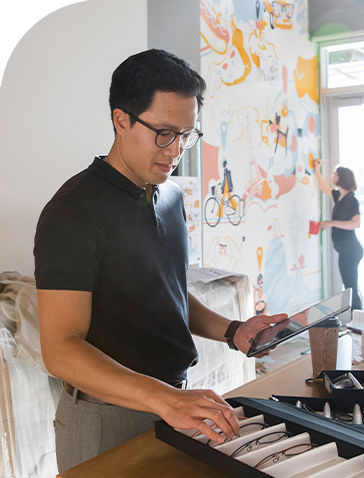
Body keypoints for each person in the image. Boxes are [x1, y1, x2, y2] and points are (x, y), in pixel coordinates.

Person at [33, 49, 288, 472]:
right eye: (164, 133)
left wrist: (233, 330)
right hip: (107, 414)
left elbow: (166, 290)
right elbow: (60, 349)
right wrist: (164, 398)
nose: (177, 151)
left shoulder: (168, 195)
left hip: (171, 401)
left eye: (187, 135)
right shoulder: (74, 211)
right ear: (121, 120)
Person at [313, 159, 364, 310]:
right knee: (349, 285)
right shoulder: (339, 196)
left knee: (351, 287)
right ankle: (356, 318)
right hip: (344, 249)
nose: (332, 176)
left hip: (351, 249)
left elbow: (356, 223)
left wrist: (332, 223)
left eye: (334, 174)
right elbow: (325, 188)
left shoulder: (351, 200)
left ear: (342, 178)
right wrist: (317, 169)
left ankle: (357, 319)